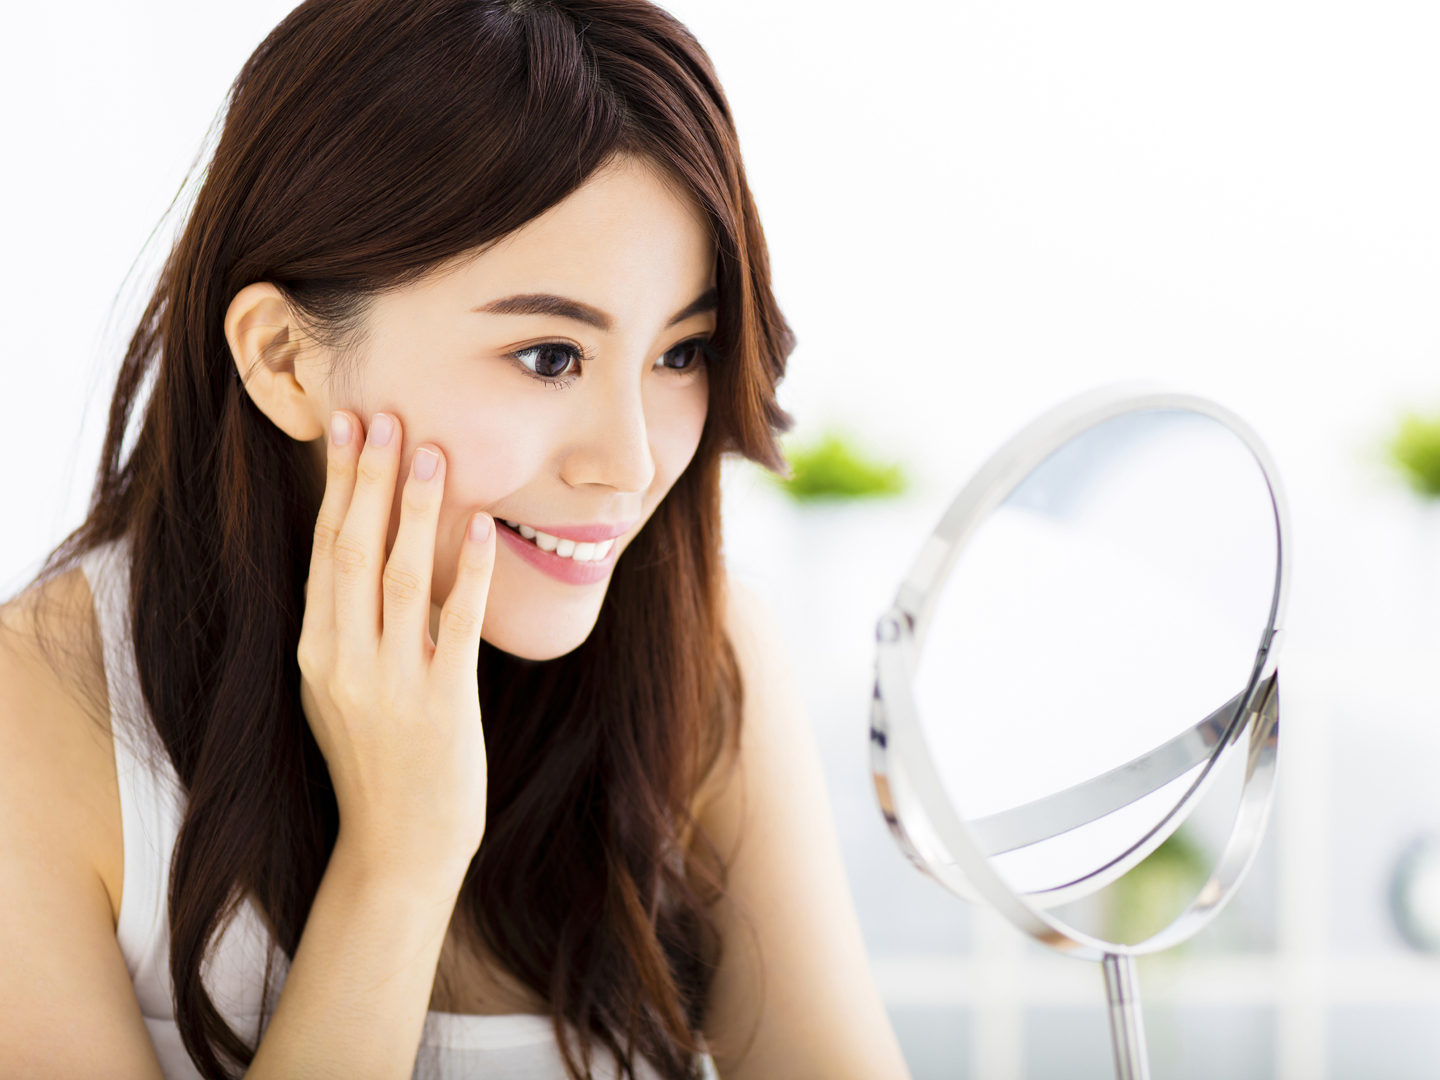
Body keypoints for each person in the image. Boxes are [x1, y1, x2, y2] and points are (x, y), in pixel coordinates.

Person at [0, 2, 911, 1079]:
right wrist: (397, 862)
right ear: (285, 357)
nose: (629, 461)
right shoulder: (41, 718)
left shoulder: (705, 655)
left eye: (683, 352)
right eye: (548, 357)